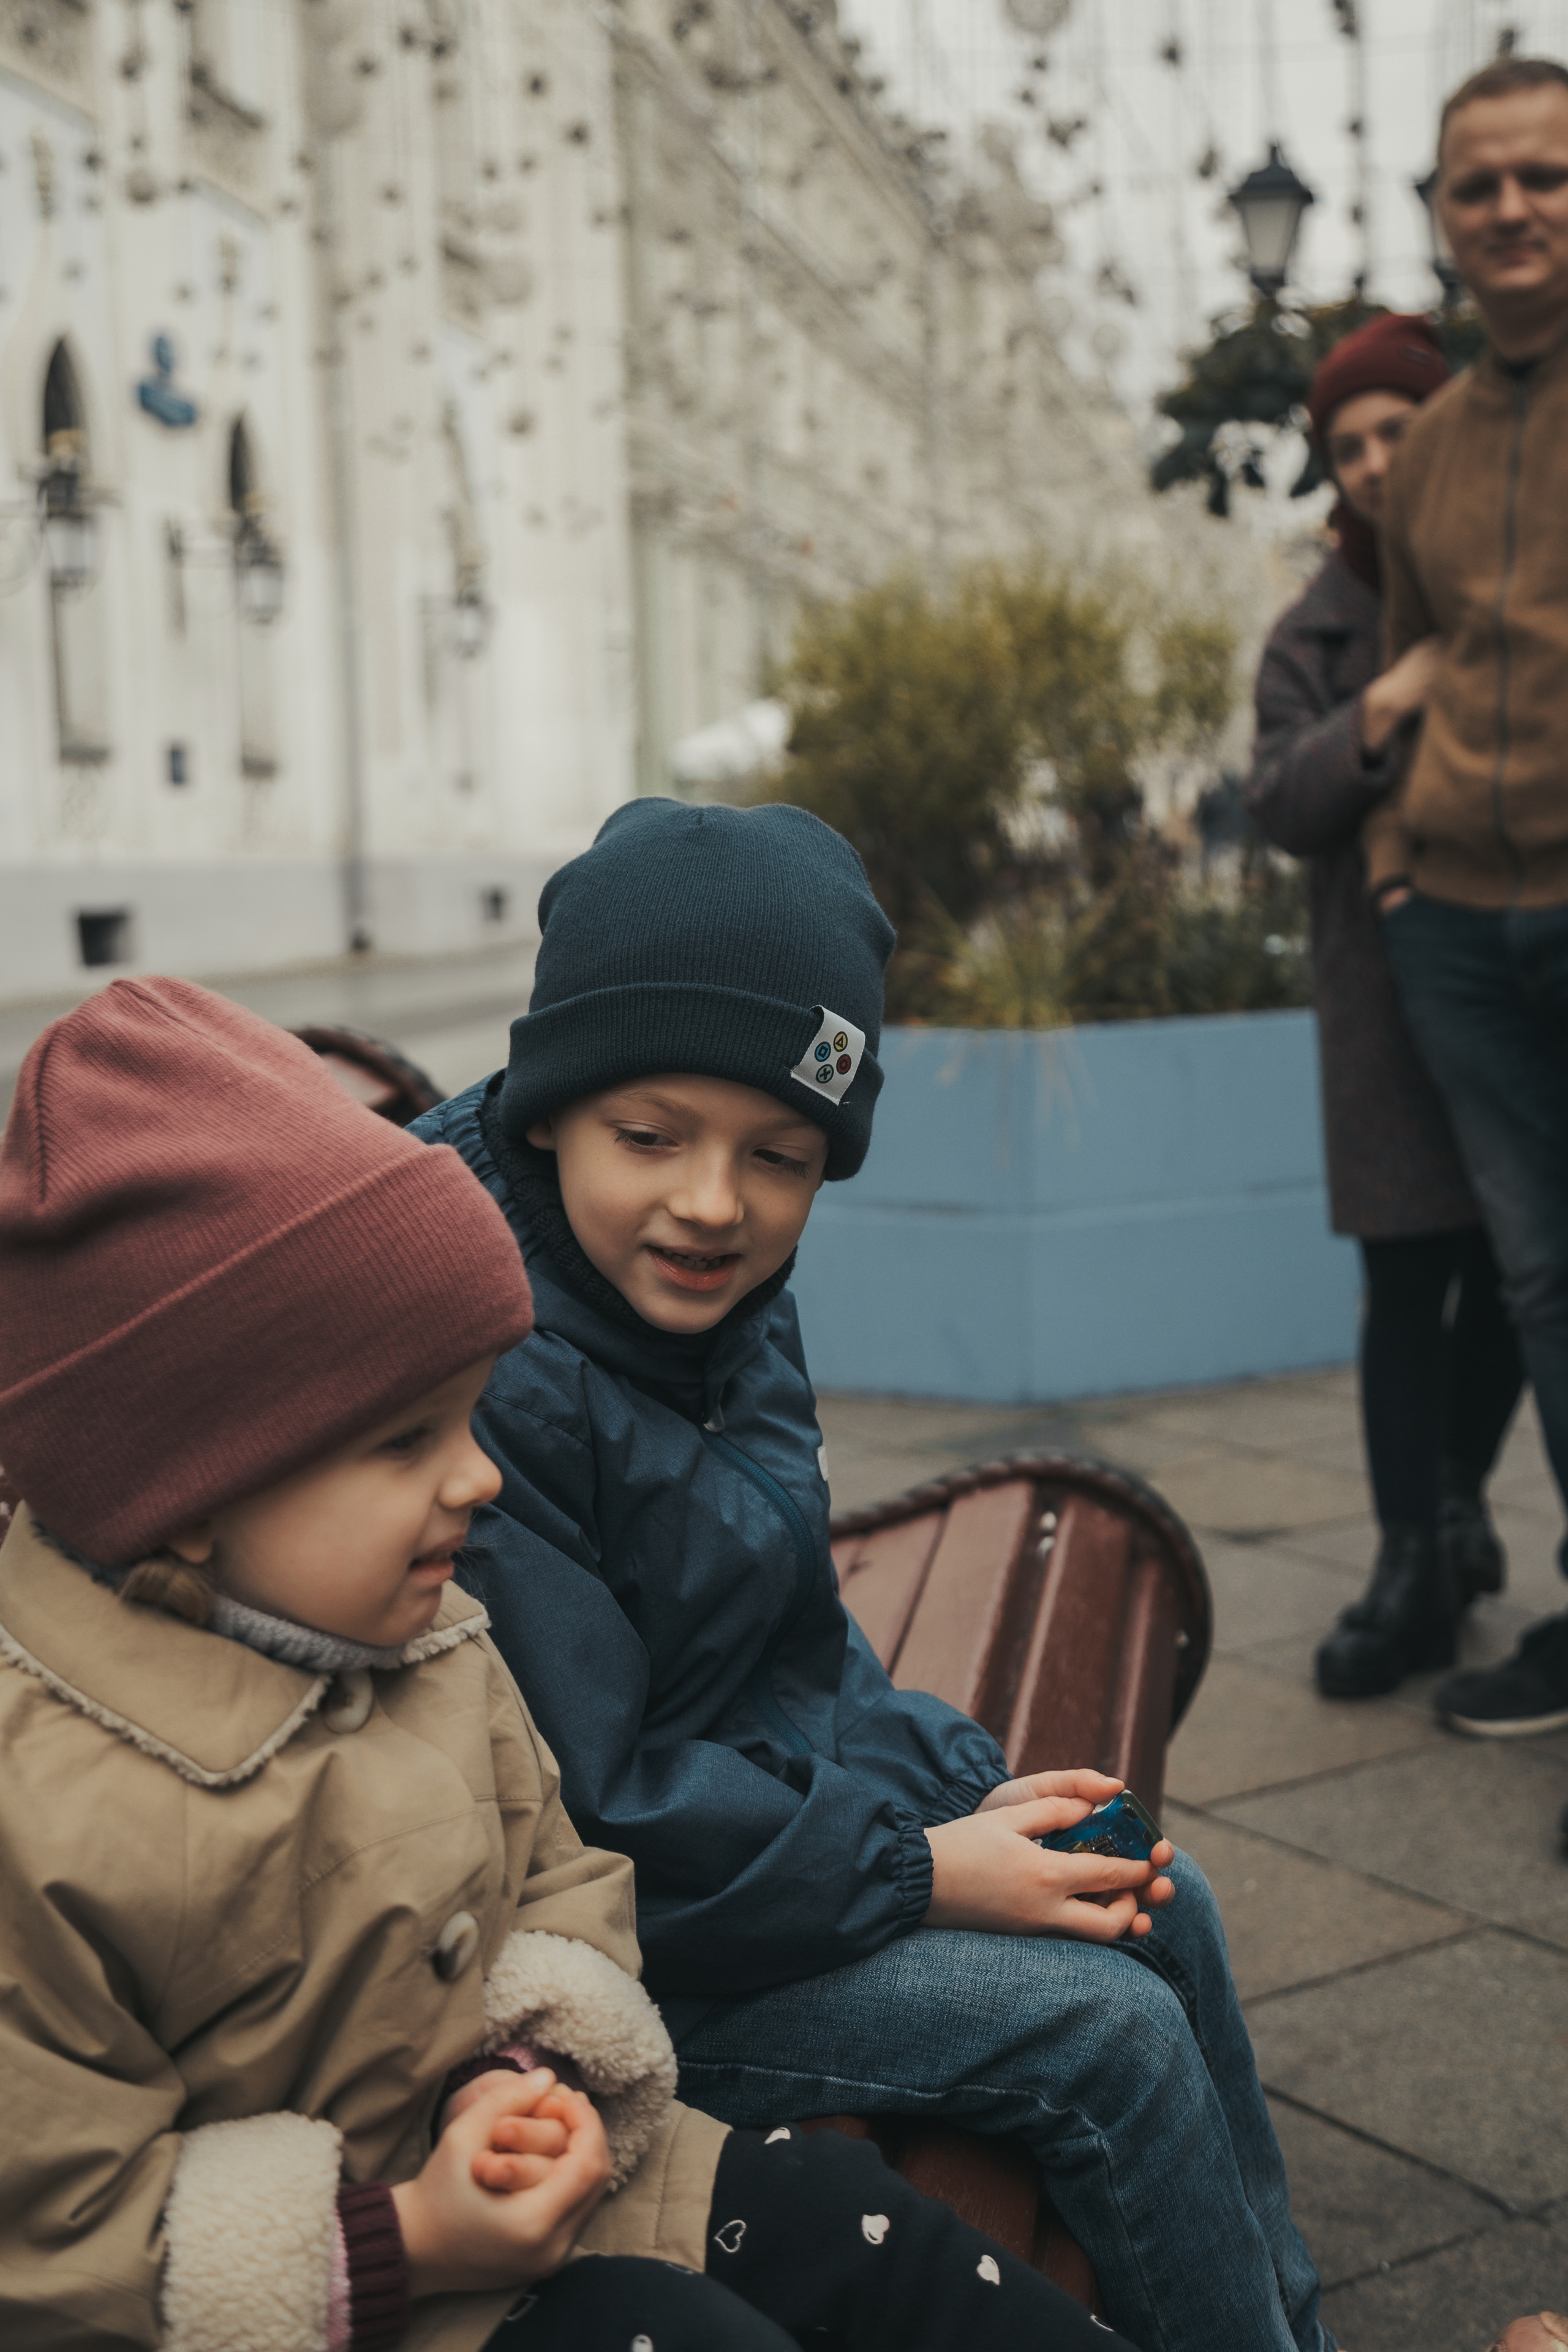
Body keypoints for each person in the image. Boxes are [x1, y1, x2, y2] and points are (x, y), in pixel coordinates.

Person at [0, 976, 1140, 2352]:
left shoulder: (422, 1632)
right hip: (357, 2302)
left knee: (883, 2250)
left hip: (574, 2172)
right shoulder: (44, 1813)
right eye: (403, 1443)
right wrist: (410, 2236)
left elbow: (556, 1866)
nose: (476, 1476)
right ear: (187, 1481)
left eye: (467, 1419)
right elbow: (53, 2244)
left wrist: (524, 2069)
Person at [413, 797, 1334, 2352]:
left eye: (779, 1155)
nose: (713, 1202)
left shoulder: (713, 1296)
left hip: (756, 1867)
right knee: (1100, 2029)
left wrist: (961, 1789)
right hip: (617, 1961)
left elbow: (789, 1642)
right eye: (652, 1136)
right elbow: (598, 1805)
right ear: (550, 1109)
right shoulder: (491, 1367)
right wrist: (920, 1869)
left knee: (1148, 1890)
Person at [1245, 311, 1524, 1700]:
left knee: (1515, 1276)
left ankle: (1459, 1503)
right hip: (1383, 1007)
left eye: (1392, 431)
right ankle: (1408, 1559)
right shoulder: (1318, 624)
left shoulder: (1513, 569)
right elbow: (1276, 796)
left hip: (1519, 978)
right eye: (1343, 444)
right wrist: (1381, 705)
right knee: (1406, 1280)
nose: (1369, 463)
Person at [1361, 56, 1568, 1746]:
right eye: (1477, 183)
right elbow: (1404, 665)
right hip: (1460, 932)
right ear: (1443, 214)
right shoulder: (1427, 447)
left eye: (1544, 174)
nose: (1511, 208)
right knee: (1545, 1287)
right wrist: (1394, 866)